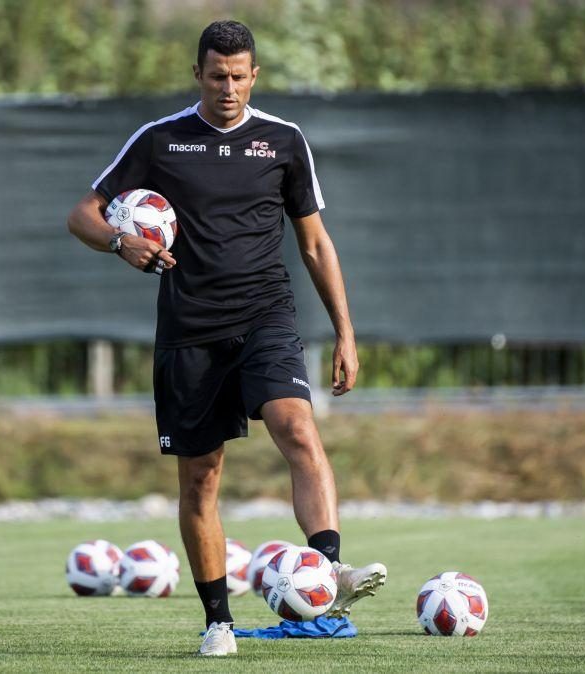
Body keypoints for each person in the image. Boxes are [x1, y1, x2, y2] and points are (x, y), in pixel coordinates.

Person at [66, 20, 386, 657]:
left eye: (240, 77)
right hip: (189, 331)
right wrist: (119, 241)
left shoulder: (284, 142)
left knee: (297, 426)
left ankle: (328, 569)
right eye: (218, 76)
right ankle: (218, 621)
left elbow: (316, 243)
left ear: (255, 76)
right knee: (200, 481)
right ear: (198, 74)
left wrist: (347, 333)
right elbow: (83, 214)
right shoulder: (160, 140)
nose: (229, 88)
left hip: (266, 316)